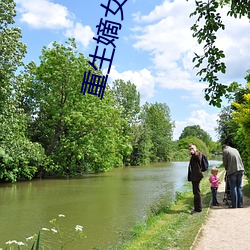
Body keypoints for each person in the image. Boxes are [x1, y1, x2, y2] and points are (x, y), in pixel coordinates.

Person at [188, 143, 204, 214]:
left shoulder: (198, 154)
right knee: (196, 192)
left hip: (196, 176)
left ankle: (198, 209)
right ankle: (197, 208)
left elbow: (198, 158)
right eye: (190, 149)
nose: (191, 150)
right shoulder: (194, 155)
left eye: (192, 148)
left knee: (196, 192)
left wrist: (194, 152)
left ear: (195, 148)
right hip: (195, 176)